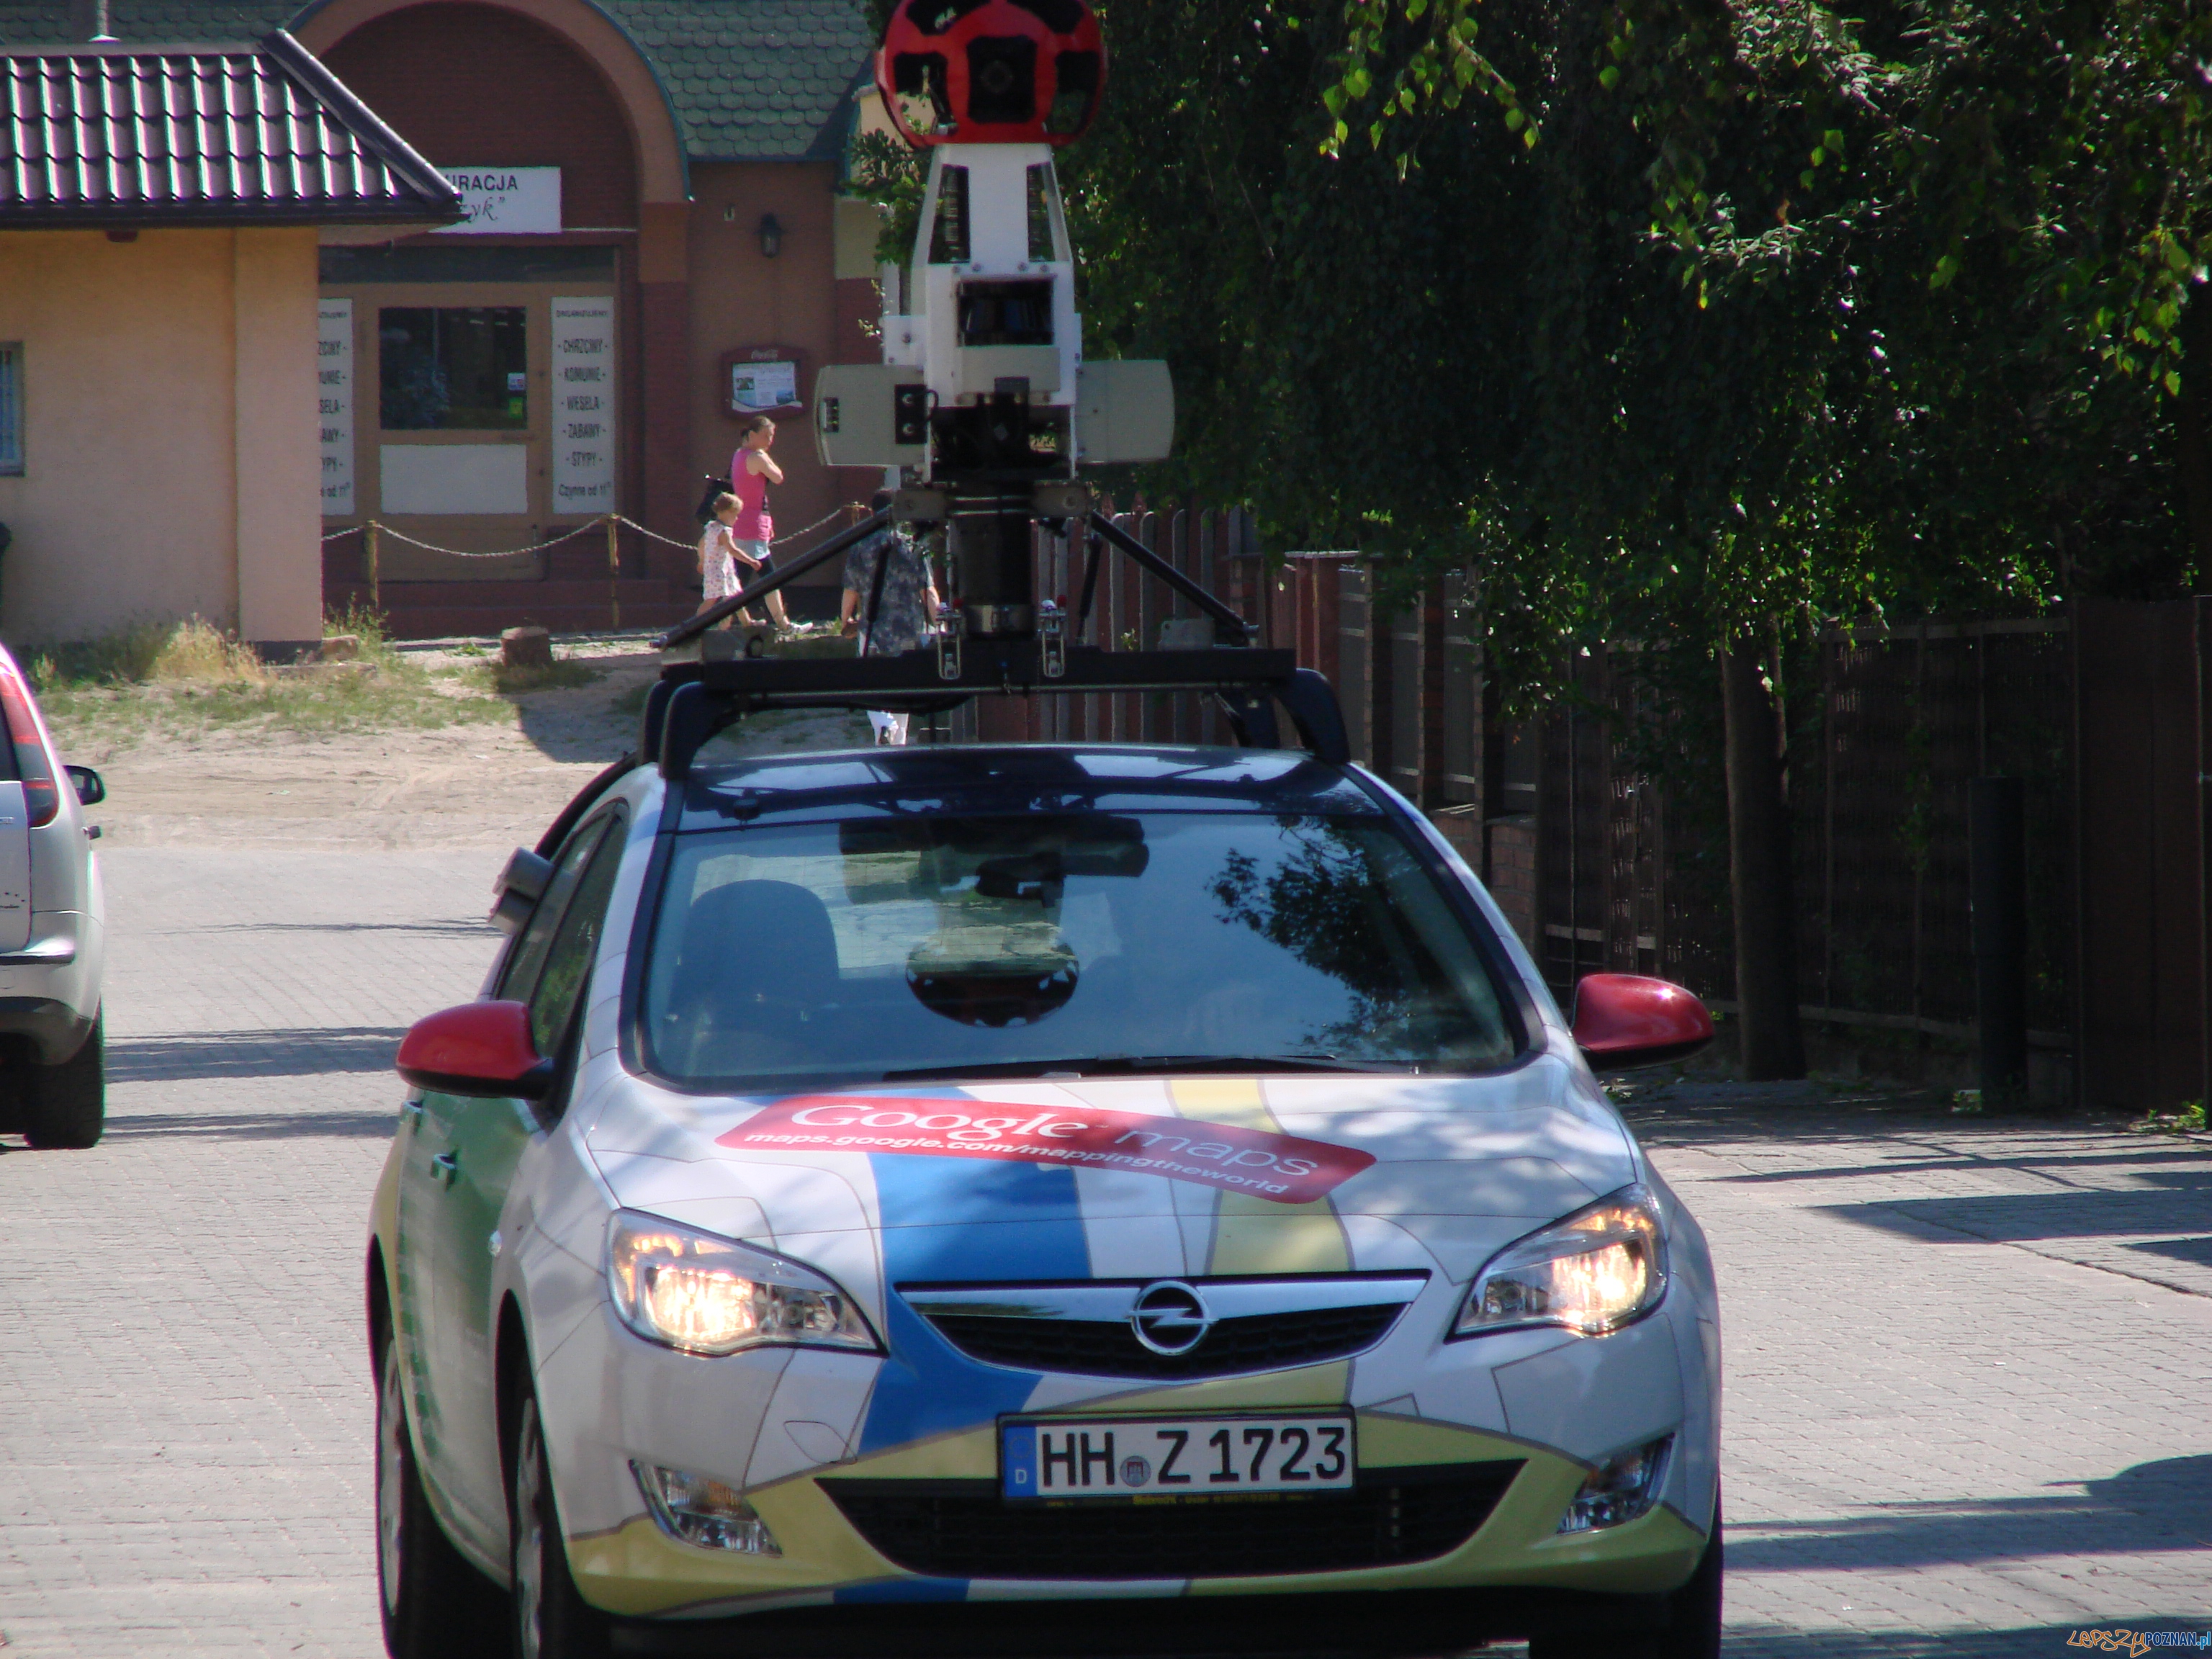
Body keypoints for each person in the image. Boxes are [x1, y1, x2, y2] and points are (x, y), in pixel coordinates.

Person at [840, 491, 940, 745]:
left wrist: (845, 621)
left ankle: (884, 725)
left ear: (872, 513)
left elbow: (851, 590)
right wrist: (941, 623)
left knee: (869, 683)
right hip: (909, 629)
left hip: (874, 628)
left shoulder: (860, 547)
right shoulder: (912, 546)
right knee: (902, 685)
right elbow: (928, 591)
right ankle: (898, 744)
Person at [729, 415, 790, 632]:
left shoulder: (739, 454)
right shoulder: (756, 457)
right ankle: (782, 624)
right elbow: (778, 477)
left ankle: (781, 624)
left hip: (748, 524)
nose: (769, 441)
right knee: (756, 579)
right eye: (766, 436)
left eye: (771, 436)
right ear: (752, 435)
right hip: (750, 527)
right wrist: (764, 455)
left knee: (751, 579)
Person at [693, 494, 763, 627]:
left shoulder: (711, 528)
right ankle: (701, 626)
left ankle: (746, 623)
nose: (736, 519)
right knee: (720, 600)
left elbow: (702, 545)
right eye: (735, 515)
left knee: (733, 597)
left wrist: (702, 561)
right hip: (721, 572)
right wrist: (751, 561)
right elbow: (733, 550)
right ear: (727, 512)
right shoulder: (723, 532)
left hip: (717, 570)